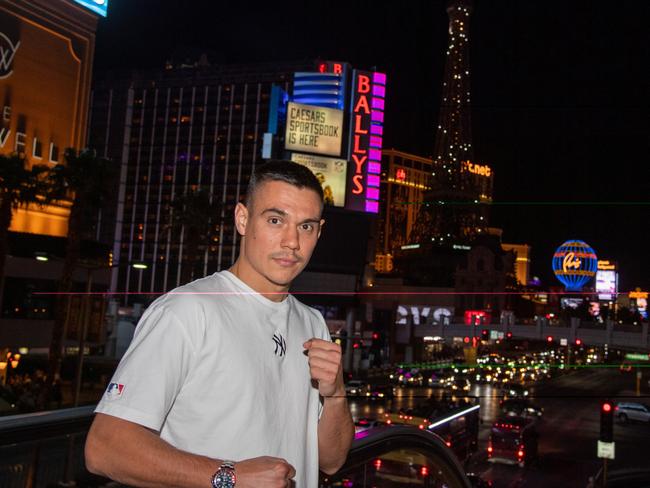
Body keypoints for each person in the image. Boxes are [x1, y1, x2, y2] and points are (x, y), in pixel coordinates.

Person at [85, 160, 355, 487]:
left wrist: (336, 392)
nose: (292, 242)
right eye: (275, 220)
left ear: (319, 231)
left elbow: (332, 459)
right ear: (242, 218)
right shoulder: (187, 311)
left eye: (306, 226)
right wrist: (229, 476)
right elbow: (104, 448)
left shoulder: (313, 323)